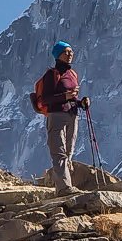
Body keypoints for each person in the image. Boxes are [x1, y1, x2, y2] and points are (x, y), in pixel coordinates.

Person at [32, 41, 90, 194]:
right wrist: (65, 96)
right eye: (66, 52)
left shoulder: (72, 74)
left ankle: (65, 186)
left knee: (69, 151)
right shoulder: (52, 75)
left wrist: (81, 103)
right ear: (58, 55)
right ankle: (64, 189)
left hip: (72, 115)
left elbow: (71, 98)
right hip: (56, 115)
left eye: (71, 51)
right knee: (59, 151)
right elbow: (45, 99)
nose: (70, 54)